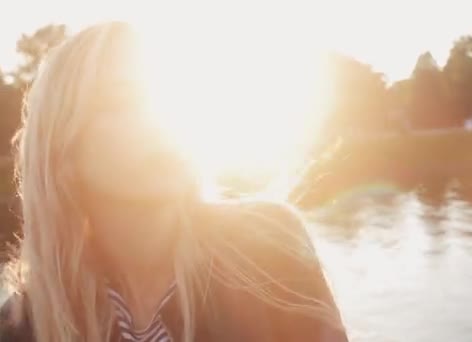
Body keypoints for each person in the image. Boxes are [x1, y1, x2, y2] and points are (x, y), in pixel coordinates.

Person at [0, 21, 348, 342]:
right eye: (121, 101)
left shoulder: (268, 244)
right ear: (64, 152)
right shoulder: (24, 323)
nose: (154, 116)